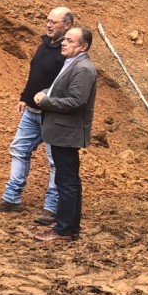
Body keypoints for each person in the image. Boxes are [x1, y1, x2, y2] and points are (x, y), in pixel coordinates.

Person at [0, 7, 74, 224]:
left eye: (54, 22)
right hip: (32, 112)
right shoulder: (45, 44)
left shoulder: (68, 55)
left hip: (53, 115)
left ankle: (51, 208)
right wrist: (24, 97)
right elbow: (36, 73)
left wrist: (48, 100)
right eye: (48, 20)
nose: (49, 25)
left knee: (54, 161)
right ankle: (11, 198)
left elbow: (67, 87)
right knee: (19, 150)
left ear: (68, 25)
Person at [33, 26, 97, 242]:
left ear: (83, 46)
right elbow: (64, 92)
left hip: (66, 133)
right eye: (65, 40)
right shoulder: (73, 64)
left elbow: (76, 101)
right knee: (69, 181)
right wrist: (47, 93)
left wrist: (46, 101)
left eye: (70, 40)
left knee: (66, 182)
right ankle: (70, 228)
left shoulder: (83, 68)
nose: (63, 42)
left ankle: (63, 230)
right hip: (62, 131)